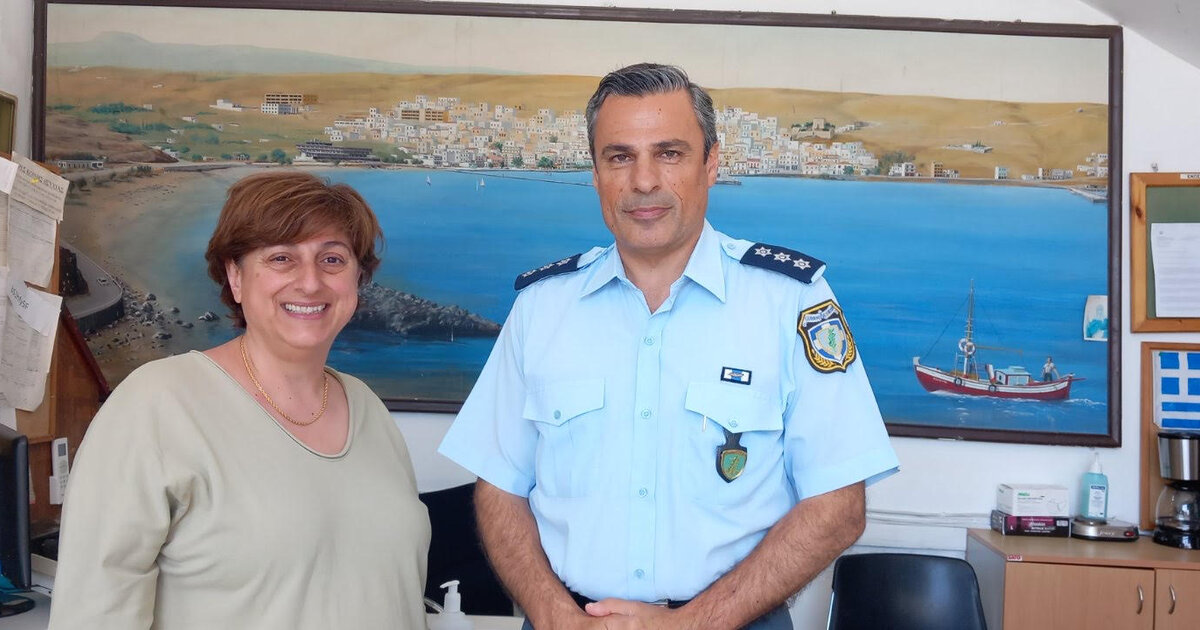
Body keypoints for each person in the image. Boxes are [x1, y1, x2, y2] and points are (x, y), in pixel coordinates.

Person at [439, 63, 899, 630]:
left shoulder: (791, 302)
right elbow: (499, 488)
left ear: (711, 164)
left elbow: (838, 506)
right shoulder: (542, 307)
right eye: (620, 157)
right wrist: (556, 616)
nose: (644, 181)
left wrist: (690, 625)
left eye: (670, 153)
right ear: (595, 174)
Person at [49, 171, 430, 629]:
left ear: (357, 278)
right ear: (235, 276)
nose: (311, 282)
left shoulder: (367, 408)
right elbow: (92, 616)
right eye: (282, 258)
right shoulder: (155, 405)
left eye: (332, 259)